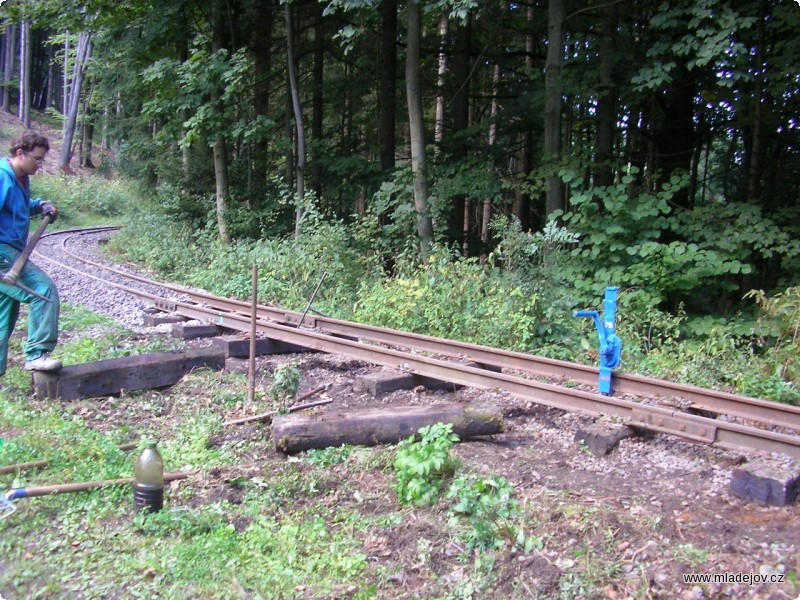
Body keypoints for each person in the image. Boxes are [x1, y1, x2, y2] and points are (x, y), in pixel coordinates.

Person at [0, 131, 61, 374]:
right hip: (3, 253)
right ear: (19, 153)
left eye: (42, 160)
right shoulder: (3, 177)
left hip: (12, 249)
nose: (39, 165)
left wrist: (39, 205)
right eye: (36, 159)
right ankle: (37, 353)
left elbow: (16, 206)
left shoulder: (21, 178)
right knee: (43, 291)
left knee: (4, 314)